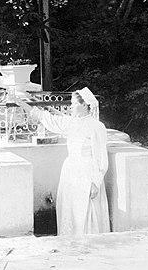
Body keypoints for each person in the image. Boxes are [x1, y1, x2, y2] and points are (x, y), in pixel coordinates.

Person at [26, 87, 110, 236]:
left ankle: (89, 242)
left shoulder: (97, 127)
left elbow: (101, 157)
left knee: (86, 209)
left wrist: (95, 182)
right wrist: (20, 102)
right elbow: (46, 117)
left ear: (84, 105)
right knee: (70, 208)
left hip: (88, 173)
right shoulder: (71, 123)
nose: (70, 107)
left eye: (73, 104)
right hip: (71, 171)